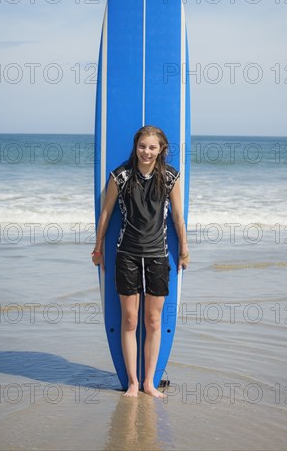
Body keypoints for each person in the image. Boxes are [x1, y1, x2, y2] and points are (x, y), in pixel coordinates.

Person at [91, 125, 189, 398]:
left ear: (161, 150)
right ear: (136, 147)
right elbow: (106, 213)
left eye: (152, 147)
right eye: (142, 146)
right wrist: (98, 247)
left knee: (154, 320)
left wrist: (184, 248)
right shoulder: (121, 176)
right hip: (128, 255)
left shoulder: (170, 177)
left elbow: (178, 217)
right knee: (131, 320)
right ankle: (133, 383)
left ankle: (149, 383)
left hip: (158, 255)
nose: (147, 152)